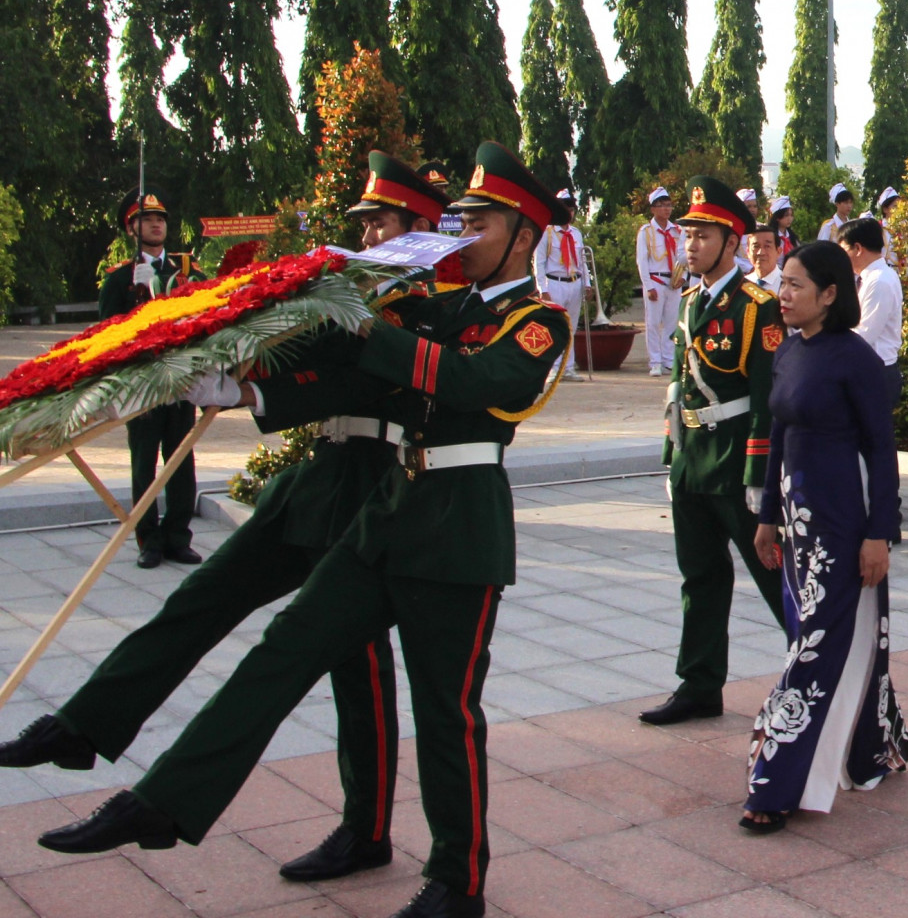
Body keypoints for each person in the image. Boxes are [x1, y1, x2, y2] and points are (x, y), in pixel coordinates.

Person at [38, 143, 573, 918]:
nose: (461, 229)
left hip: (459, 530)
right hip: (389, 512)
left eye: (479, 220)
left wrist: (364, 327)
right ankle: (160, 802)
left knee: (445, 712)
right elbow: (357, 356)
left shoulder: (537, 322)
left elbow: (470, 383)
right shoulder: (442, 304)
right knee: (284, 650)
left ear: (522, 237)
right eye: (457, 215)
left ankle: (458, 882)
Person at [0, 152, 454, 886]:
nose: (367, 235)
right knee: (200, 597)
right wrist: (220, 352)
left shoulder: (421, 304)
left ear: (420, 229)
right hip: (319, 478)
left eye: (380, 222)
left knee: (354, 665)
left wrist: (252, 390)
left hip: (374, 487)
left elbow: (351, 370)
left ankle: (364, 828)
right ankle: (84, 725)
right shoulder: (349, 293)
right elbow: (302, 346)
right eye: (363, 223)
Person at [739, 243, 908, 833]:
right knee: (816, 635)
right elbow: (778, 430)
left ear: (830, 294)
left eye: (795, 285)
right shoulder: (789, 350)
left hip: (842, 521)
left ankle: (777, 780)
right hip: (795, 519)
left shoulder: (854, 359)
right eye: (782, 283)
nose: (782, 294)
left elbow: (882, 450)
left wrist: (879, 534)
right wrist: (766, 517)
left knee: (813, 645)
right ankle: (873, 741)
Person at [643, 180, 788, 727]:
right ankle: (699, 683)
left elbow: (765, 397)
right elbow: (678, 386)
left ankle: (819, 665)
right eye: (688, 236)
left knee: (773, 575)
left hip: (734, 465)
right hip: (693, 462)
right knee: (699, 577)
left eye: (703, 236)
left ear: (732, 242)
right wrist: (671, 454)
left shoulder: (757, 306)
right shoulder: (688, 303)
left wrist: (759, 477)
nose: (691, 245)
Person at [99, 187, 206, 568]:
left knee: (180, 462)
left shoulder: (188, 272)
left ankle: (179, 537)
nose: (156, 224)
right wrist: (136, 293)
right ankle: (149, 540)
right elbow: (107, 336)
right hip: (142, 387)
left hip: (180, 383)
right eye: (146, 219)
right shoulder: (119, 279)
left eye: (160, 219)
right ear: (132, 229)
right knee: (144, 464)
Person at [837, 218, 903, 406]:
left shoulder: (879, 281)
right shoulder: (869, 278)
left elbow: (864, 334)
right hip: (868, 369)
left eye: (843, 250)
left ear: (857, 249)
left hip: (875, 371)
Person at [532, 191, 589, 381]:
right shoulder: (546, 233)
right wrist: (543, 289)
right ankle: (553, 368)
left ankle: (568, 367)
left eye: (571, 209)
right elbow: (538, 263)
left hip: (573, 281)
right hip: (554, 283)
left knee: (571, 327)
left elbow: (582, 261)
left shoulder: (576, 233)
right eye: (565, 208)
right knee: (554, 326)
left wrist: (587, 283)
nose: (569, 213)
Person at [636, 187, 683, 376]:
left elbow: (683, 256)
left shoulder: (677, 230)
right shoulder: (646, 232)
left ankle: (668, 359)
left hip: (673, 280)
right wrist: (647, 285)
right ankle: (655, 360)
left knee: (672, 322)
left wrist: (683, 277)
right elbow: (642, 260)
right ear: (653, 209)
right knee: (653, 322)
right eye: (662, 206)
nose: (666, 209)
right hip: (655, 278)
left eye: (669, 205)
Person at [746, 223, 784, 295]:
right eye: (756, 246)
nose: (761, 252)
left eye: (767, 246)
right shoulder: (743, 284)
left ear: (778, 251)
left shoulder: (786, 285)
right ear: (748, 252)